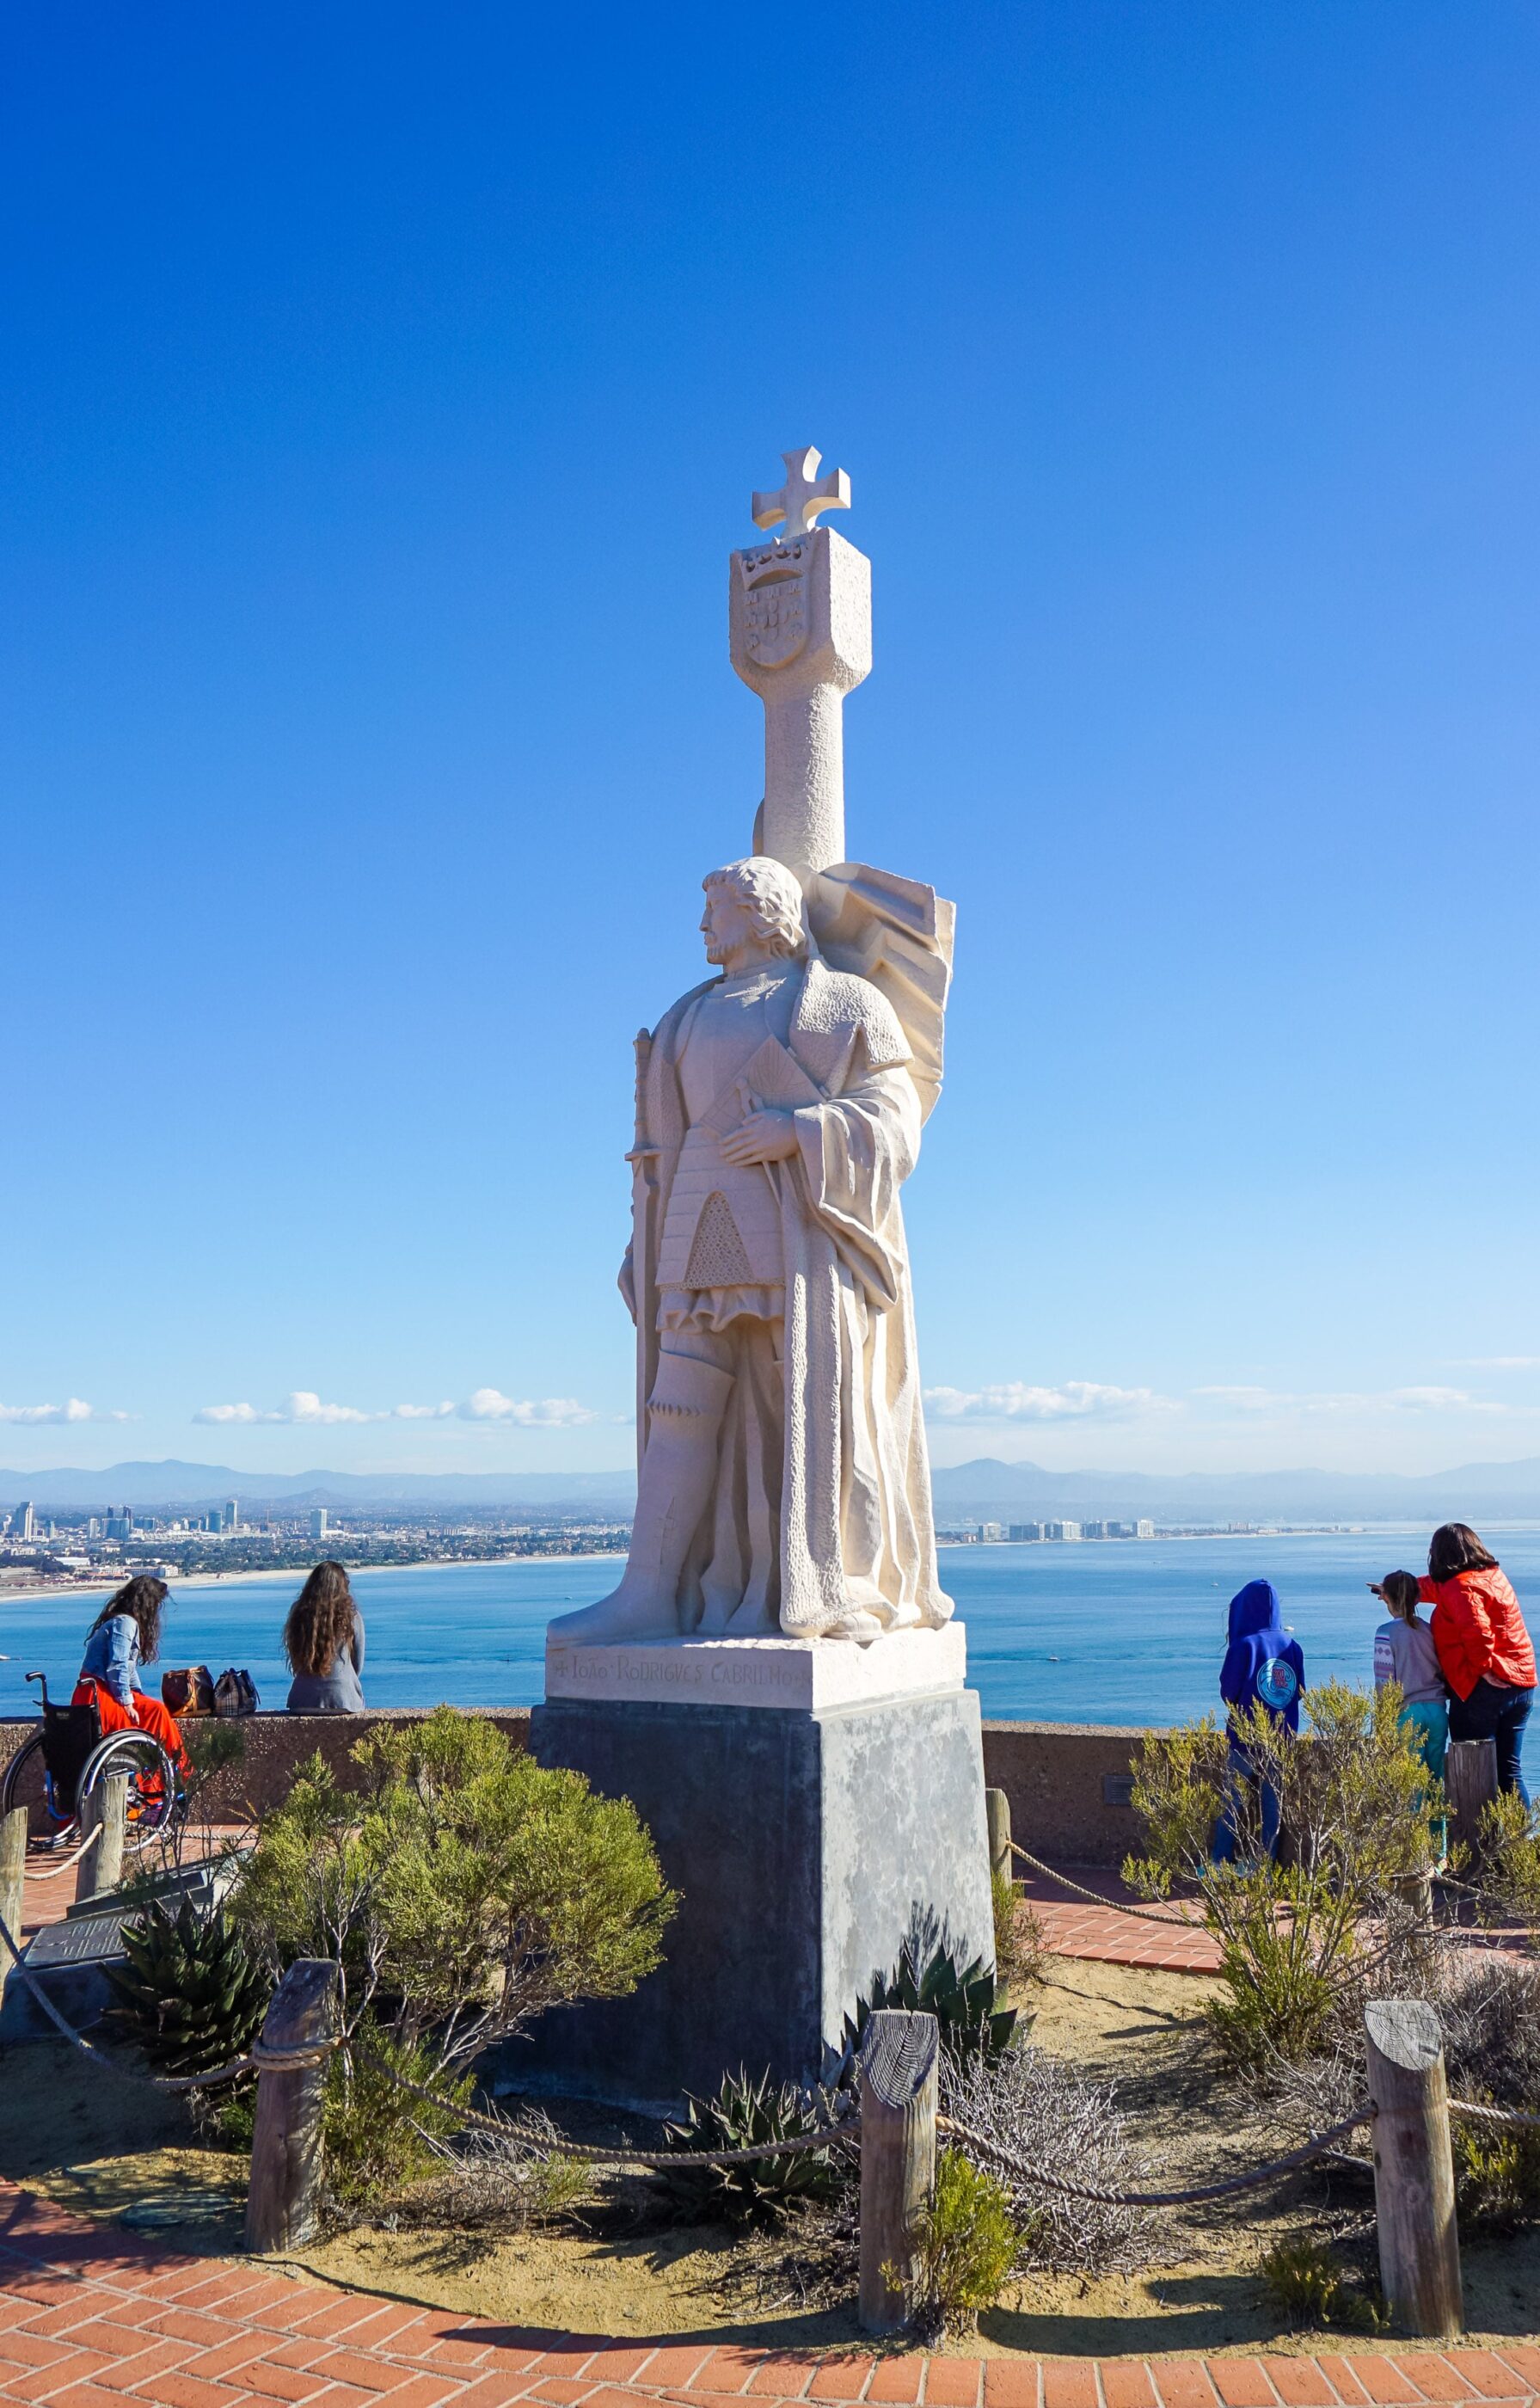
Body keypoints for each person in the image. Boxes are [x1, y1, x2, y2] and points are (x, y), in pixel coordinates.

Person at [1377, 1523, 1535, 1803]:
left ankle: (1476, 1840)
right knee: (1509, 1769)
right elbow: (1434, 1588)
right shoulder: (1493, 1577)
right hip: (1521, 1684)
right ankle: (1515, 1840)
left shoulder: (1460, 1587)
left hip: (1484, 1689)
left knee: (1470, 1765)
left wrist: (1484, 1668)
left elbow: (1477, 1629)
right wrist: (1395, 1590)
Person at [1213, 1579, 1305, 1864]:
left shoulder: (1243, 1645)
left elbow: (1228, 1689)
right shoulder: (1293, 1646)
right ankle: (1265, 1865)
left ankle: (1220, 1861)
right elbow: (1298, 1690)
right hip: (1281, 1738)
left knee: (1233, 1800)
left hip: (1245, 1739)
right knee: (1272, 1805)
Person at [1368, 1569, 1449, 1862]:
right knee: (1434, 1783)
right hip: (1438, 1711)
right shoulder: (1429, 1630)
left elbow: (1384, 1684)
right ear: (1418, 1598)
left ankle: (1413, 1856)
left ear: (1386, 1598)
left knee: (1409, 1785)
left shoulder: (1386, 1633)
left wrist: (1382, 1725)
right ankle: (1439, 1854)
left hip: (1407, 1714)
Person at [76, 1575, 190, 1768]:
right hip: (100, 1697)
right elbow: (118, 1664)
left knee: (151, 1708)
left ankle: (165, 1773)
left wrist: (136, 1695)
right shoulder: (126, 1623)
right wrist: (128, 1702)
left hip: (95, 1693)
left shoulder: (119, 1621)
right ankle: (180, 1769)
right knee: (158, 1712)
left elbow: (128, 1668)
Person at [283, 1561, 365, 1712]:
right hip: (343, 1700)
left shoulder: (298, 1612)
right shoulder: (352, 1617)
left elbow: (295, 1658)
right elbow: (357, 1664)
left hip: (301, 1701)